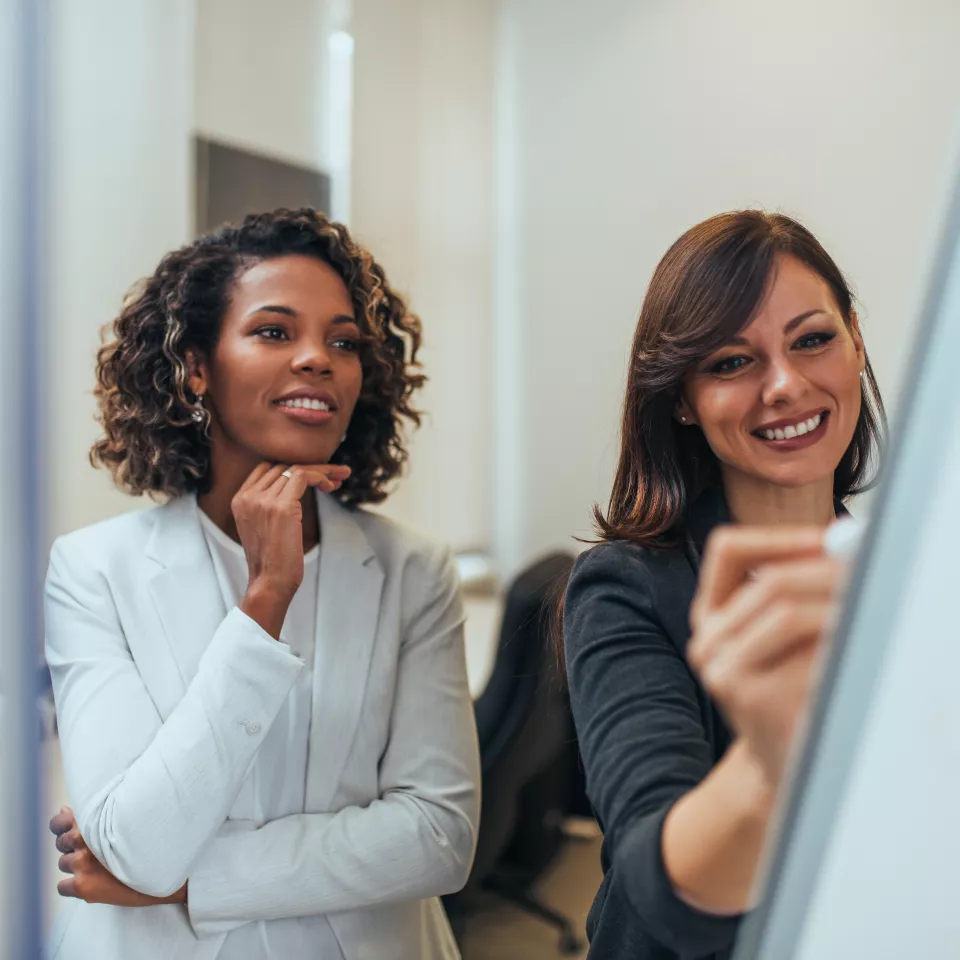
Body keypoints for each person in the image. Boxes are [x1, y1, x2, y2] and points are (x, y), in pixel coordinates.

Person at [44, 208, 481, 960]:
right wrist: (266, 599)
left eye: (342, 342)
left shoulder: (416, 571)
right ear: (196, 367)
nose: (318, 358)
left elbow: (438, 839)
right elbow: (137, 847)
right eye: (274, 331)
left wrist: (191, 880)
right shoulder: (93, 571)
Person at [562, 210, 885, 960]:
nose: (785, 385)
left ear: (856, 340)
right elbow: (659, 883)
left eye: (812, 339)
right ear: (681, 397)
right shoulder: (625, 587)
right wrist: (774, 758)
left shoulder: (899, 573)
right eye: (731, 362)